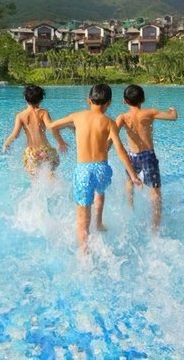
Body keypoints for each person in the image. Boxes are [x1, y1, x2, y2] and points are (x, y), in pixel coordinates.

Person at [47, 84, 141, 252]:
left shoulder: (77, 116)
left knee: (82, 216)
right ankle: (98, 223)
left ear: (88, 100)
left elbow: (52, 126)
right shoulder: (109, 122)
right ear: (109, 103)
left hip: (83, 170)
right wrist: (133, 175)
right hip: (101, 170)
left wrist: (60, 140)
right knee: (99, 191)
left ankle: (84, 251)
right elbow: (120, 150)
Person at [115, 84, 178, 232]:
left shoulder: (122, 117)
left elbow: (112, 134)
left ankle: (130, 209)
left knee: (129, 181)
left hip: (131, 156)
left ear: (124, 101)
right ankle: (155, 227)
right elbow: (173, 117)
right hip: (148, 156)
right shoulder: (150, 113)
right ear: (142, 99)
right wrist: (173, 109)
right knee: (155, 190)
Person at [2, 85, 68, 178]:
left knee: (35, 178)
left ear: (25, 98)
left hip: (31, 152)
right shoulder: (43, 113)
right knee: (50, 173)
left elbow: (14, 135)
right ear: (41, 99)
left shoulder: (20, 116)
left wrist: (6, 144)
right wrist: (61, 142)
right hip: (46, 149)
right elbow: (51, 127)